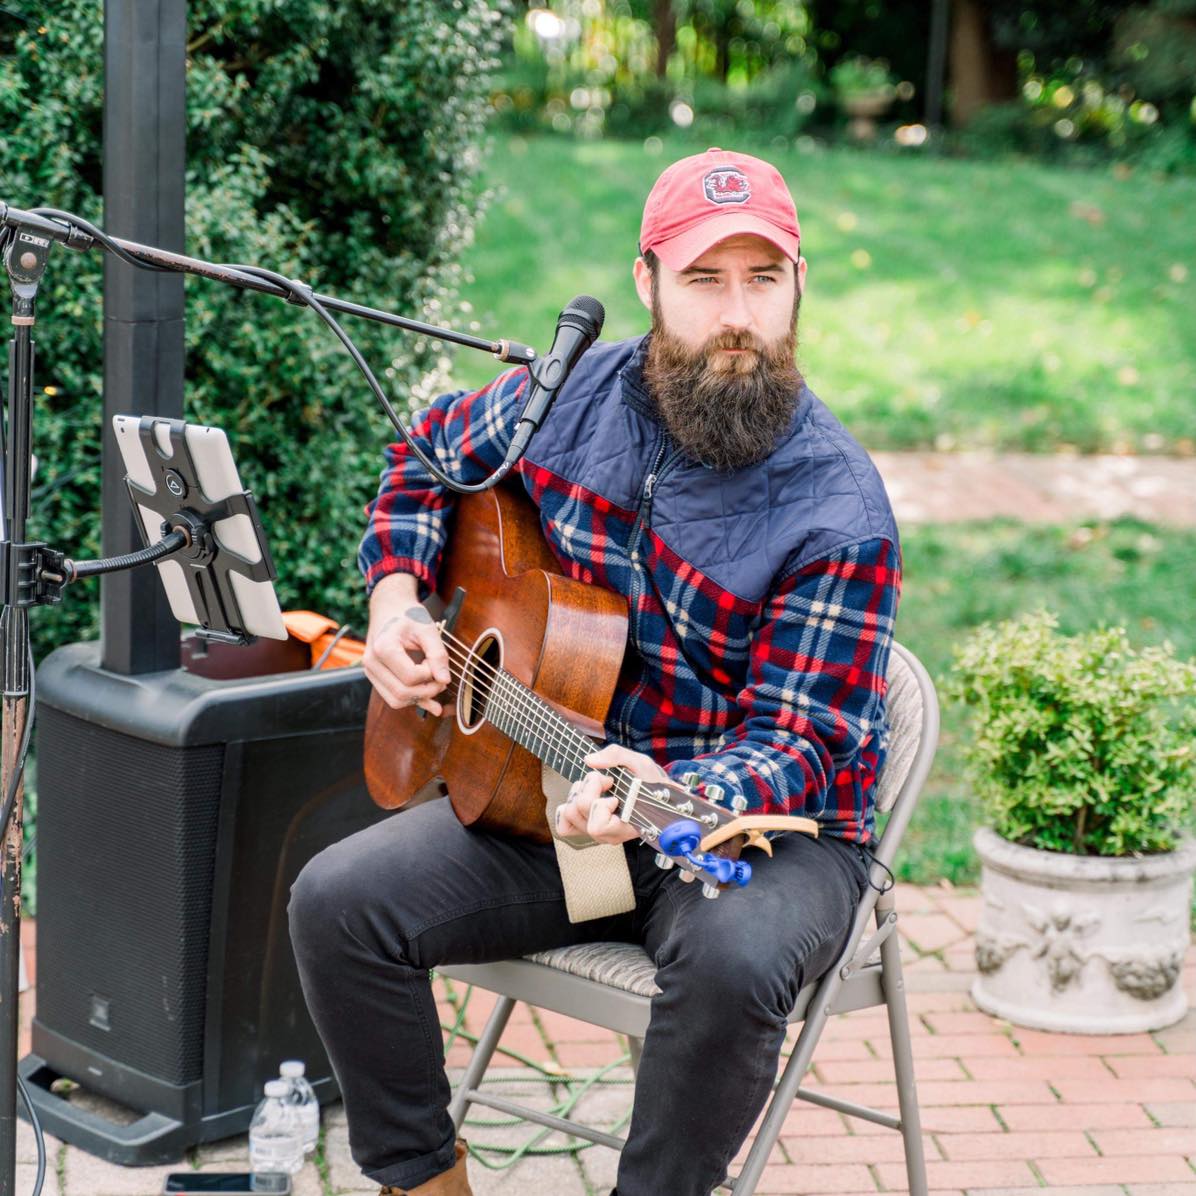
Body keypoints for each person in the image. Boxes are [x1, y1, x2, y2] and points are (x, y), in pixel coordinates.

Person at [289, 147, 901, 1196]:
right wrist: (394, 598)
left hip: (757, 831)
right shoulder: (567, 394)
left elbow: (802, 741)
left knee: (733, 961)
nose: (737, 314)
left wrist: (666, 796)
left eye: (763, 278)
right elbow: (426, 456)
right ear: (648, 282)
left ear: (799, 283)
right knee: (336, 900)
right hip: (556, 795)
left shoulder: (836, 509)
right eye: (705, 278)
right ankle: (422, 1181)